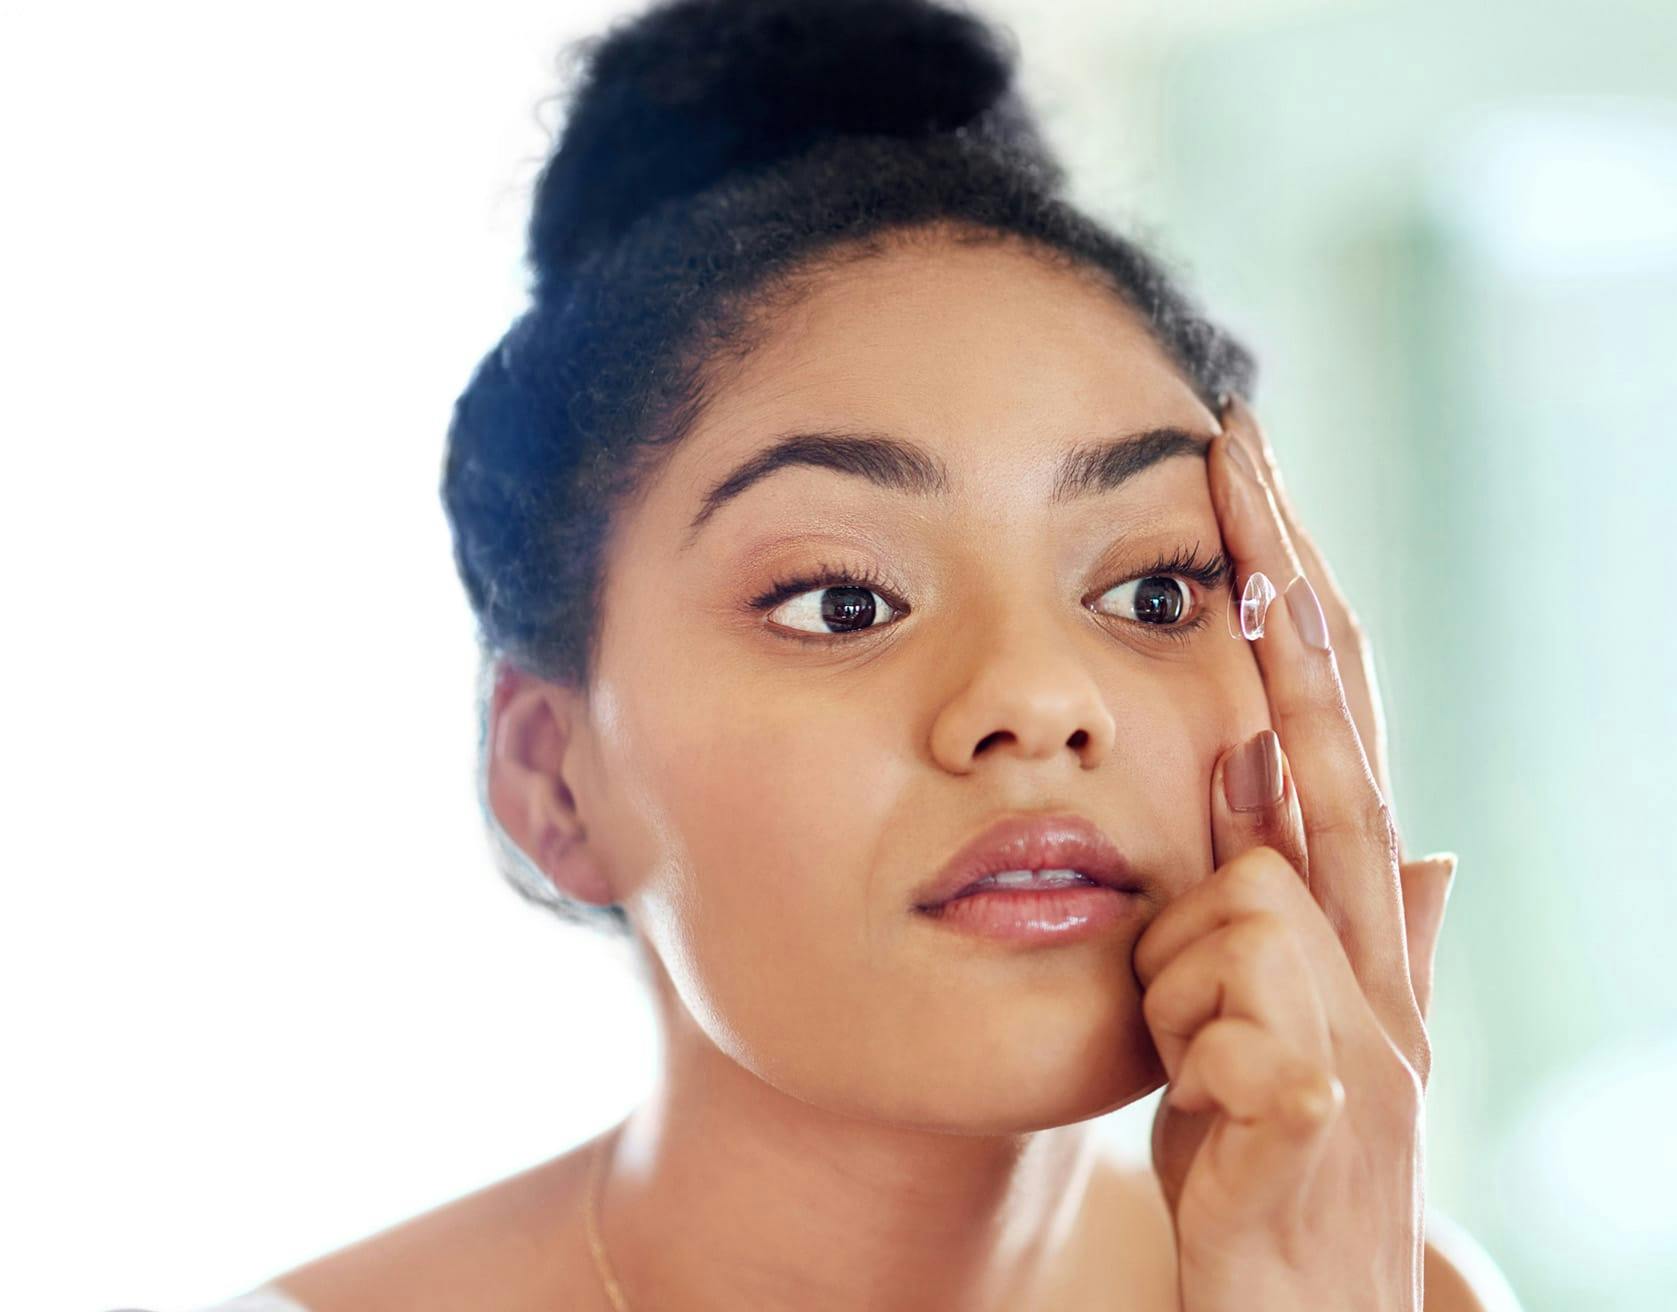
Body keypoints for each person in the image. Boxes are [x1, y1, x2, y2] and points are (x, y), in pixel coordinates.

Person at [194, 0, 1519, 1307]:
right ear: (554, 780)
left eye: (1157, 591)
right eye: (841, 602)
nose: (1040, 700)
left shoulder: (1400, 1289)